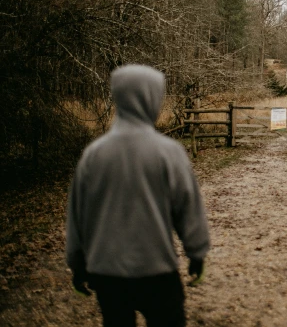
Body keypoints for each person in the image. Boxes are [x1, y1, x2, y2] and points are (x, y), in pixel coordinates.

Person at [66, 65, 210, 327]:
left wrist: (77, 263)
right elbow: (188, 208)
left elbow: (78, 215)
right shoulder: (169, 152)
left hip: (107, 273)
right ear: (152, 98)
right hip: (156, 270)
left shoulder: (94, 154)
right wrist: (196, 252)